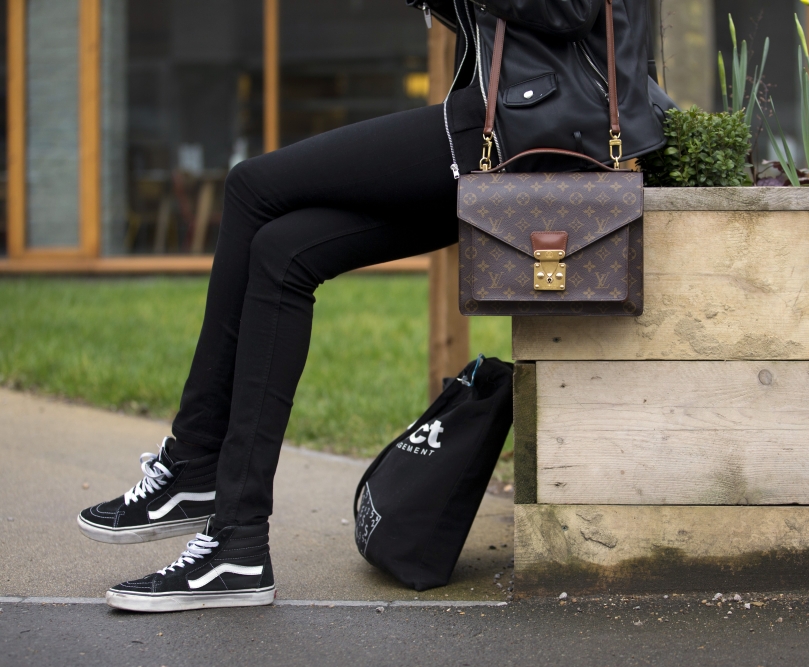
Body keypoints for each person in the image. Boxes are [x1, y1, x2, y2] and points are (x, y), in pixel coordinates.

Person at [78, 0, 671, 612]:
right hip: (519, 118)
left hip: (535, 123)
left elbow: (568, 8)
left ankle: (194, 461)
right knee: (282, 251)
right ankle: (238, 546)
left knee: (251, 187)